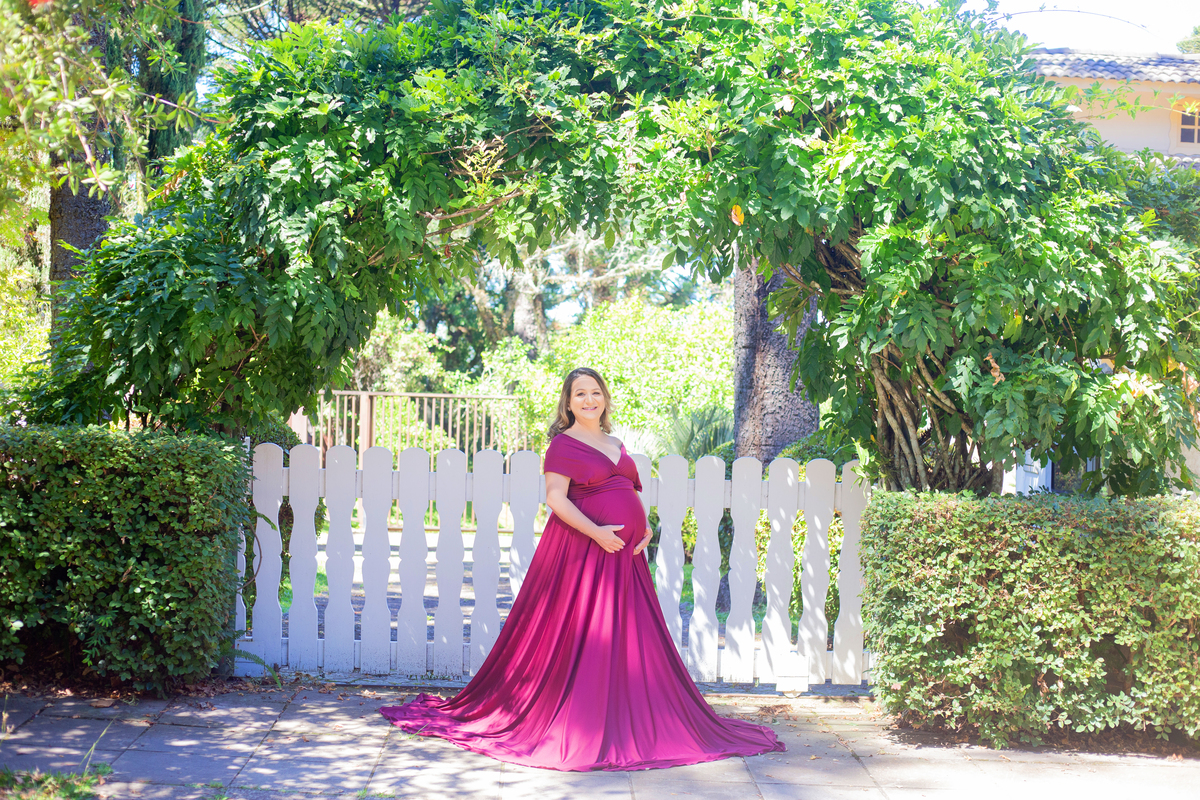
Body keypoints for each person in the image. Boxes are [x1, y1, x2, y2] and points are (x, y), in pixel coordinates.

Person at [379, 367, 784, 771]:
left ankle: (625, 710)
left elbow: (626, 491)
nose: (589, 400)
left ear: (604, 398)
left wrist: (643, 531)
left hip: (624, 554)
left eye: (595, 393)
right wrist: (597, 533)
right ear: (568, 403)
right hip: (584, 550)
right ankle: (582, 716)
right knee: (580, 632)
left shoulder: (615, 442)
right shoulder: (562, 445)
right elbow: (557, 499)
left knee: (626, 634)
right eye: (579, 394)